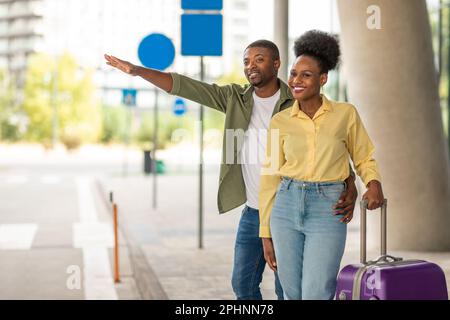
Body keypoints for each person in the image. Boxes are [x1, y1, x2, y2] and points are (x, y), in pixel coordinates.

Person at [104, 39, 358, 300]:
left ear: (276, 63)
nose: (251, 66)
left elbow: (327, 147)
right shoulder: (234, 98)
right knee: (243, 285)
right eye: (246, 61)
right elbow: (185, 86)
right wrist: (138, 71)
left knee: (288, 289)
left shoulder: (295, 99)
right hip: (252, 211)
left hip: (287, 207)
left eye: (259, 59)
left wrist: (349, 182)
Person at [259, 30, 384, 300]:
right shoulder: (280, 120)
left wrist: (373, 184)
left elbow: (363, 156)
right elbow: (270, 177)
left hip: (328, 207)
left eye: (306, 75)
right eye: (294, 74)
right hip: (286, 205)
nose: (296, 80)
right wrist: (265, 232)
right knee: (292, 293)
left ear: (323, 78)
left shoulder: (345, 114)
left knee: (317, 292)